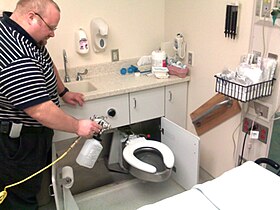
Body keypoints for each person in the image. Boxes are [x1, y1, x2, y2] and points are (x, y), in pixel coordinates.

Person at [0, 0, 102, 209]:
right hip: (17, 143)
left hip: (31, 137)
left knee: (31, 187)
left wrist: (63, 91)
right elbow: (40, 110)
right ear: (32, 17)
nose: (53, 34)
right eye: (51, 28)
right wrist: (77, 126)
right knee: (20, 198)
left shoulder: (22, 33)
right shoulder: (15, 53)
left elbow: (45, 61)